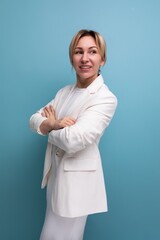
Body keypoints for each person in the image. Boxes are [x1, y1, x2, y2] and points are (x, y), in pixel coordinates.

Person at [29, 29, 117, 240]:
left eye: (92, 52)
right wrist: (55, 123)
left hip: (77, 186)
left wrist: (51, 126)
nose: (85, 58)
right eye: (78, 52)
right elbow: (33, 119)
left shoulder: (105, 98)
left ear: (102, 59)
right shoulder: (64, 93)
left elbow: (74, 139)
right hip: (55, 179)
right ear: (72, 58)